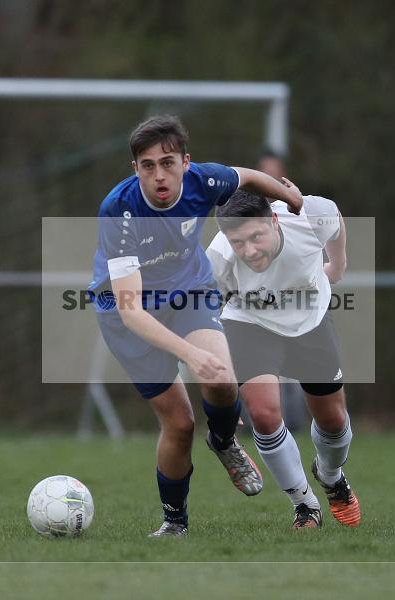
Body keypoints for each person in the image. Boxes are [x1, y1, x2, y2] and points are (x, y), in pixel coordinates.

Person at [88, 115, 303, 537]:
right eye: (147, 166)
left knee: (222, 380)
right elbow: (132, 311)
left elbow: (250, 176)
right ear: (136, 170)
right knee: (180, 423)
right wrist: (189, 355)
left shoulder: (205, 181)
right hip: (124, 311)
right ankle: (175, 522)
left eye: (167, 162)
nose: (159, 174)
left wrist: (290, 200)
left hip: (188, 292)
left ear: (186, 162)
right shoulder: (120, 210)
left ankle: (223, 442)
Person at [207, 189, 360, 529]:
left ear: (274, 221)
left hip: (310, 321)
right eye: (238, 242)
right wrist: (222, 388)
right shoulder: (217, 258)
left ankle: (331, 476)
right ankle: (304, 504)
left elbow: (334, 216)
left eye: (255, 237)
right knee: (263, 413)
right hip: (251, 323)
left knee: (333, 420)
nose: (249, 251)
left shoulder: (306, 216)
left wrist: (338, 265)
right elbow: (204, 320)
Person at [254, 149, 308, 433]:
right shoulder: (245, 212)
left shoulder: (295, 210)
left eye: (275, 172)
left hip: (288, 307)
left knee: (291, 377)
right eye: (265, 173)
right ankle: (252, 428)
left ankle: (295, 429)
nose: (270, 179)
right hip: (256, 309)